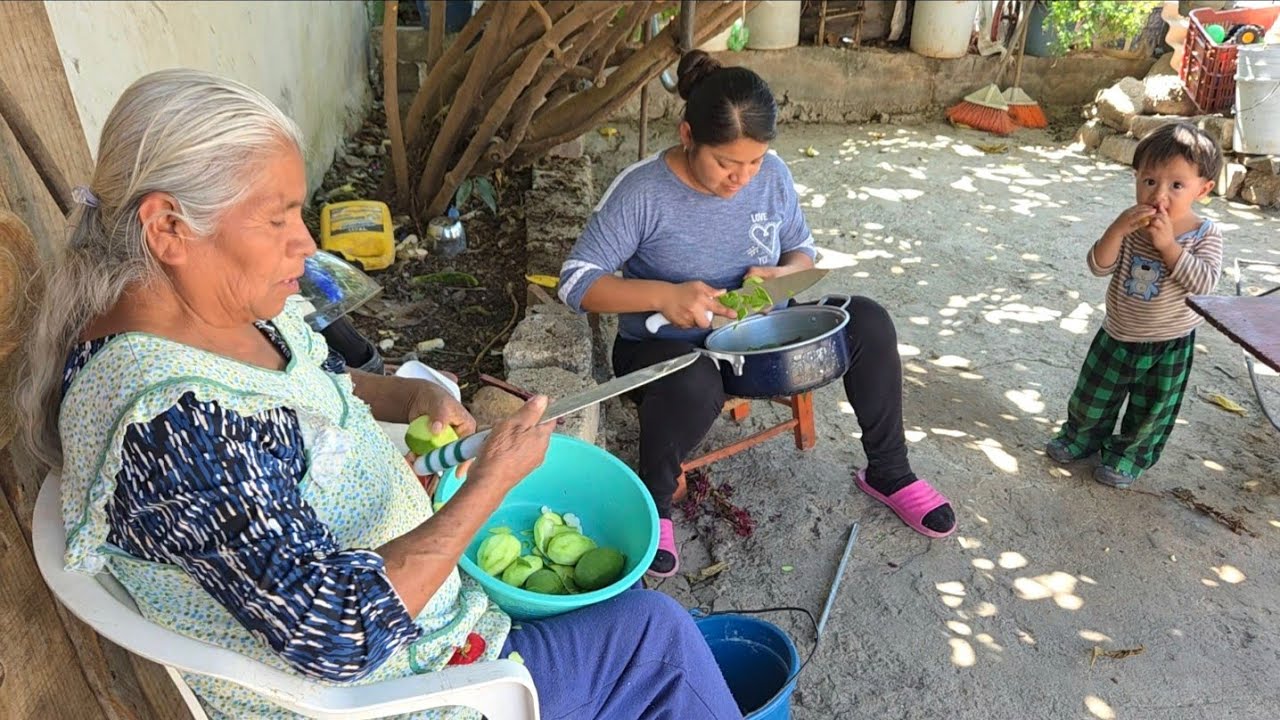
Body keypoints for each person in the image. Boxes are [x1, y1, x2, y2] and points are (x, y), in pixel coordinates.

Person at [18, 69, 742, 720]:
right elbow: (339, 632)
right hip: (397, 686)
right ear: (169, 227)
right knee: (660, 639)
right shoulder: (174, 425)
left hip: (416, 626)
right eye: (278, 219)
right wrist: (486, 487)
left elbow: (310, 382)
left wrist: (405, 399)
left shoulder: (206, 317)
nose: (304, 244)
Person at [557, 51, 957, 578]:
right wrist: (662, 295)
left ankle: (890, 471)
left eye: (754, 162)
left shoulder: (772, 176)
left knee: (869, 322)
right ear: (687, 136)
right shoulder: (643, 192)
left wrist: (783, 275)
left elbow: (802, 252)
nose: (742, 178)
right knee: (694, 379)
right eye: (726, 163)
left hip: (760, 342)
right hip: (668, 348)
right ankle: (654, 506)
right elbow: (575, 281)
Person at [1046, 122, 1224, 489]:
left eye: (1177, 185)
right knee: (1091, 397)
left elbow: (1204, 286)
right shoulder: (1131, 226)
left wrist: (1169, 247)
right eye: (1149, 181)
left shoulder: (1204, 235)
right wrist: (1115, 231)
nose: (1160, 194)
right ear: (1136, 178)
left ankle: (1128, 456)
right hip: (1117, 333)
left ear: (1202, 189)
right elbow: (1098, 266)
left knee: (1150, 411)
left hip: (1169, 343)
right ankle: (1081, 438)